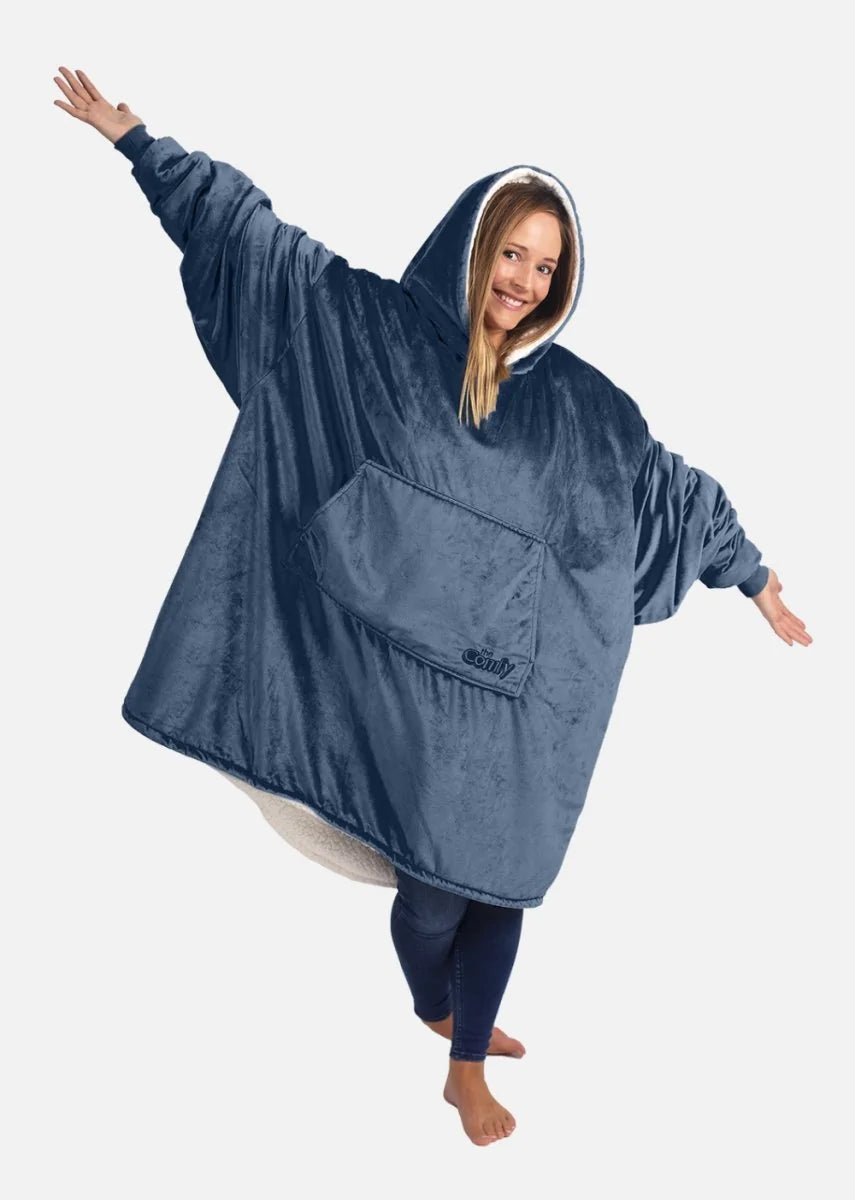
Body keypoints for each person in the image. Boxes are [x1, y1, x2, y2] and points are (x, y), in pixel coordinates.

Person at [53, 67, 812, 1148]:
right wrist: (140, 145)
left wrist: (753, 576)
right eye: (513, 254)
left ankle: (466, 1070)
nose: (525, 281)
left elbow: (669, 495)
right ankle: (438, 1008)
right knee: (430, 901)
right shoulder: (364, 329)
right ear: (474, 244)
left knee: (503, 883)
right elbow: (250, 239)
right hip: (395, 690)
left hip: (514, 706)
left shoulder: (587, 415)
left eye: (546, 267)